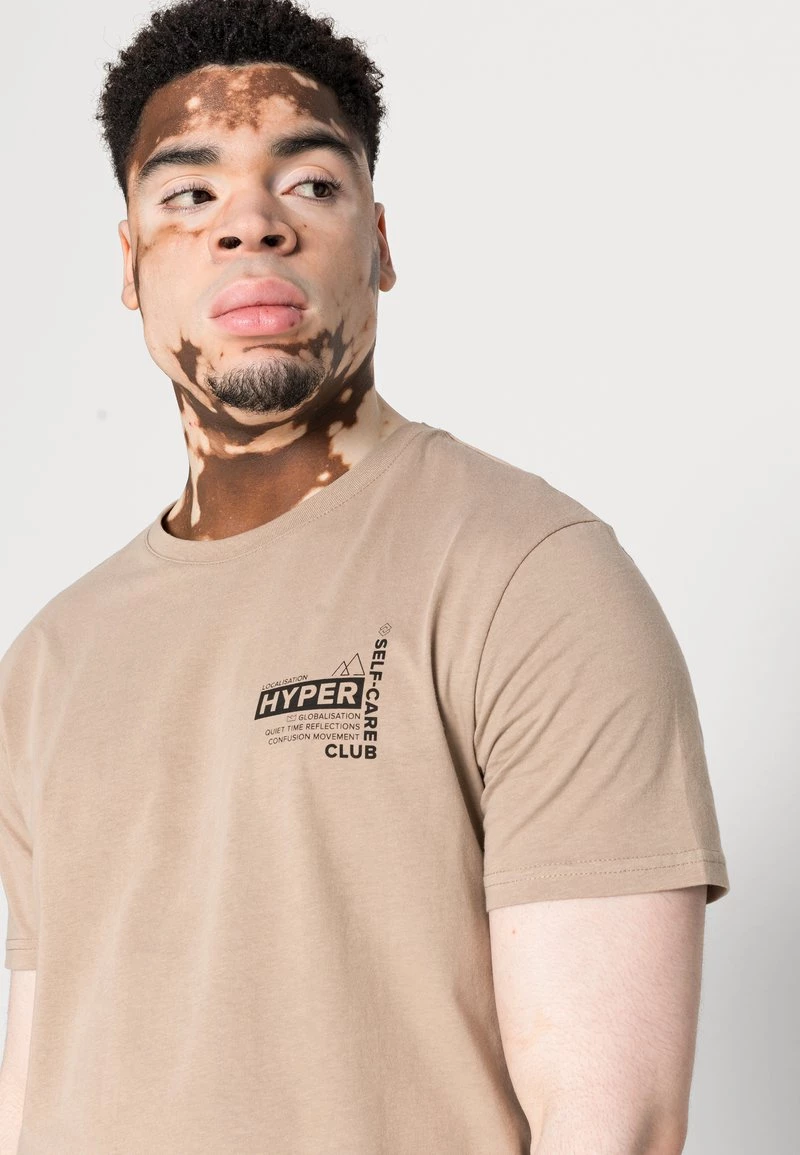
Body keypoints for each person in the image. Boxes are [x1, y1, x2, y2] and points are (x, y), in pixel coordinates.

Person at [0, 0, 730, 1151]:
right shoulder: (49, 659)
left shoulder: (527, 578)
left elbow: (614, 1122)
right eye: (188, 194)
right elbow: (40, 1084)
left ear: (379, 243)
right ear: (129, 263)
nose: (250, 225)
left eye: (308, 184)